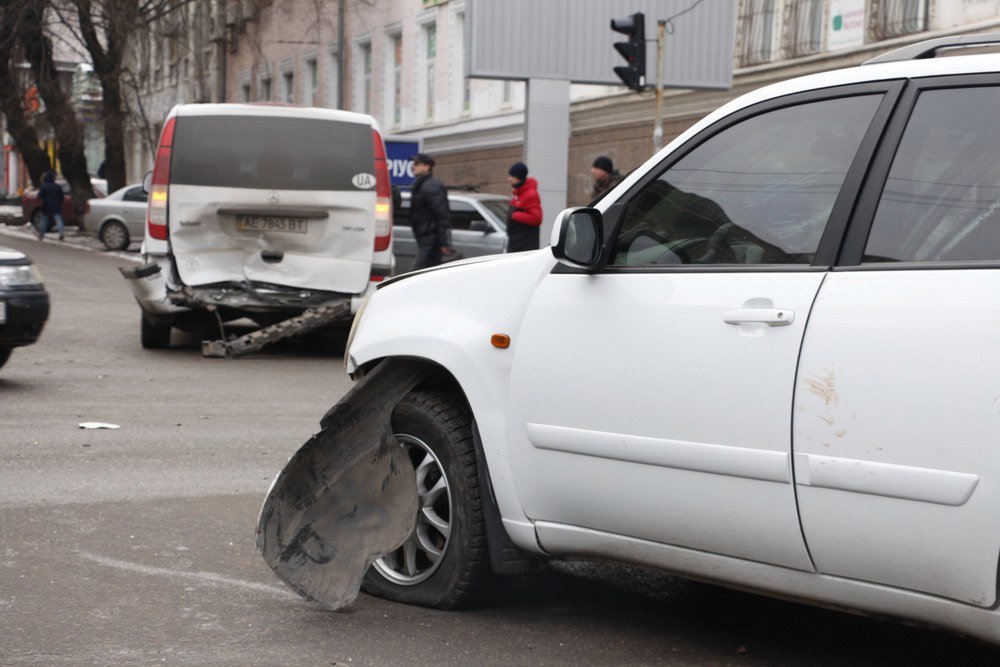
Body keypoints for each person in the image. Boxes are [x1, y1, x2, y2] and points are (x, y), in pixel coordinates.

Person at [409, 153, 452, 269]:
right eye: (414, 164)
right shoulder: (420, 185)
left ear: (427, 167)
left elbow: (442, 215)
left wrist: (444, 242)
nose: (414, 166)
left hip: (431, 239)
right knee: (429, 271)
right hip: (424, 238)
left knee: (417, 271)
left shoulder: (432, 186)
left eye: (417, 164)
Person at [506, 162, 543, 252]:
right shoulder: (517, 193)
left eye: (511, 176)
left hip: (524, 247)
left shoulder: (530, 194)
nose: (509, 179)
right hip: (515, 244)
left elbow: (537, 218)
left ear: (518, 177)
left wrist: (515, 215)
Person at [36, 171, 65, 241]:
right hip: (56, 205)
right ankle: (61, 233)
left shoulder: (44, 186)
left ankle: (41, 235)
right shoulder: (58, 187)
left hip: (46, 205)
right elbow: (61, 197)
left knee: (44, 220)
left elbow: (39, 196)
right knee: (58, 219)